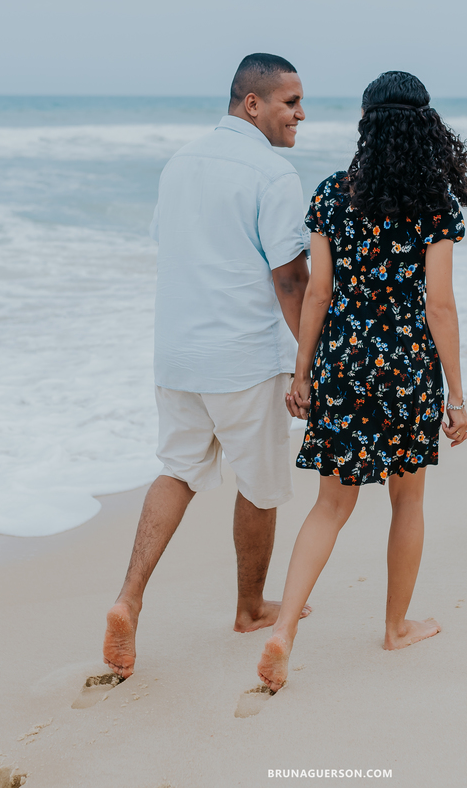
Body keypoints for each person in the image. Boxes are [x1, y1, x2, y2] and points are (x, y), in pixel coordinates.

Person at [257, 71, 467, 691]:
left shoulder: (331, 194)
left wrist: (302, 375)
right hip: (406, 367)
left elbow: (317, 293)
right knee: (408, 500)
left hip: (344, 364)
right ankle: (396, 626)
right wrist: (456, 397)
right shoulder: (435, 205)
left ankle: (284, 632)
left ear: (366, 122)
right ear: (424, 125)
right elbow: (440, 306)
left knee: (331, 505)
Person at [103, 53, 313, 679]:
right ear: (253, 104)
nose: (300, 115)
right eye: (290, 102)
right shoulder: (274, 175)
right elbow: (291, 279)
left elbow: (172, 244)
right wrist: (309, 362)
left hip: (177, 353)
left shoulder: (180, 162)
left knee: (178, 472)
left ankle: (128, 598)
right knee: (260, 483)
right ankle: (250, 609)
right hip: (243, 358)